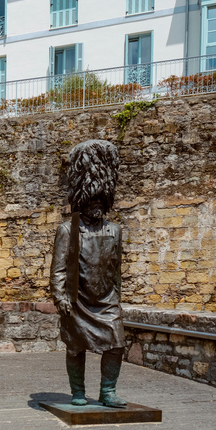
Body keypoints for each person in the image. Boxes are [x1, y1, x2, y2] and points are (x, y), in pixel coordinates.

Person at [50, 139, 127, 408]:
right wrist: (60, 299)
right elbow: (58, 270)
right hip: (77, 300)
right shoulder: (67, 230)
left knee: (117, 343)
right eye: (92, 199)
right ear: (83, 198)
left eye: (100, 200)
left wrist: (116, 297)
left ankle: (108, 391)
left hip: (106, 302)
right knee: (75, 346)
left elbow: (116, 271)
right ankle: (78, 392)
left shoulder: (115, 231)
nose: (96, 205)